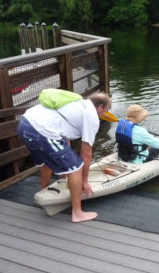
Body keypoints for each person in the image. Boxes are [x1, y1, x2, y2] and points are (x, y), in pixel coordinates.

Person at [17, 91, 111, 222]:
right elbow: (86, 153)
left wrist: (64, 168)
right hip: (42, 131)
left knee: (47, 160)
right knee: (76, 167)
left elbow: (64, 135)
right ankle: (77, 213)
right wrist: (84, 181)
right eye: (105, 110)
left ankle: (44, 191)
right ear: (100, 107)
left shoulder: (75, 103)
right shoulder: (92, 117)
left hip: (24, 124)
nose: (104, 114)